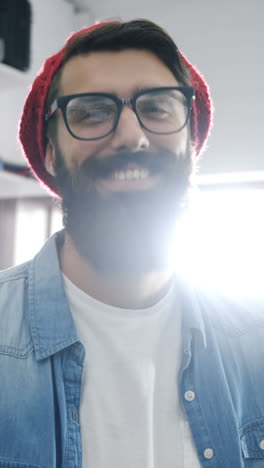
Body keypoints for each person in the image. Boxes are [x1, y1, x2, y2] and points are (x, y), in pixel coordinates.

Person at [0, 19, 263, 468]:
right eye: (91, 112)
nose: (130, 136)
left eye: (158, 107)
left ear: (190, 140)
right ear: (48, 151)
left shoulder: (254, 341)